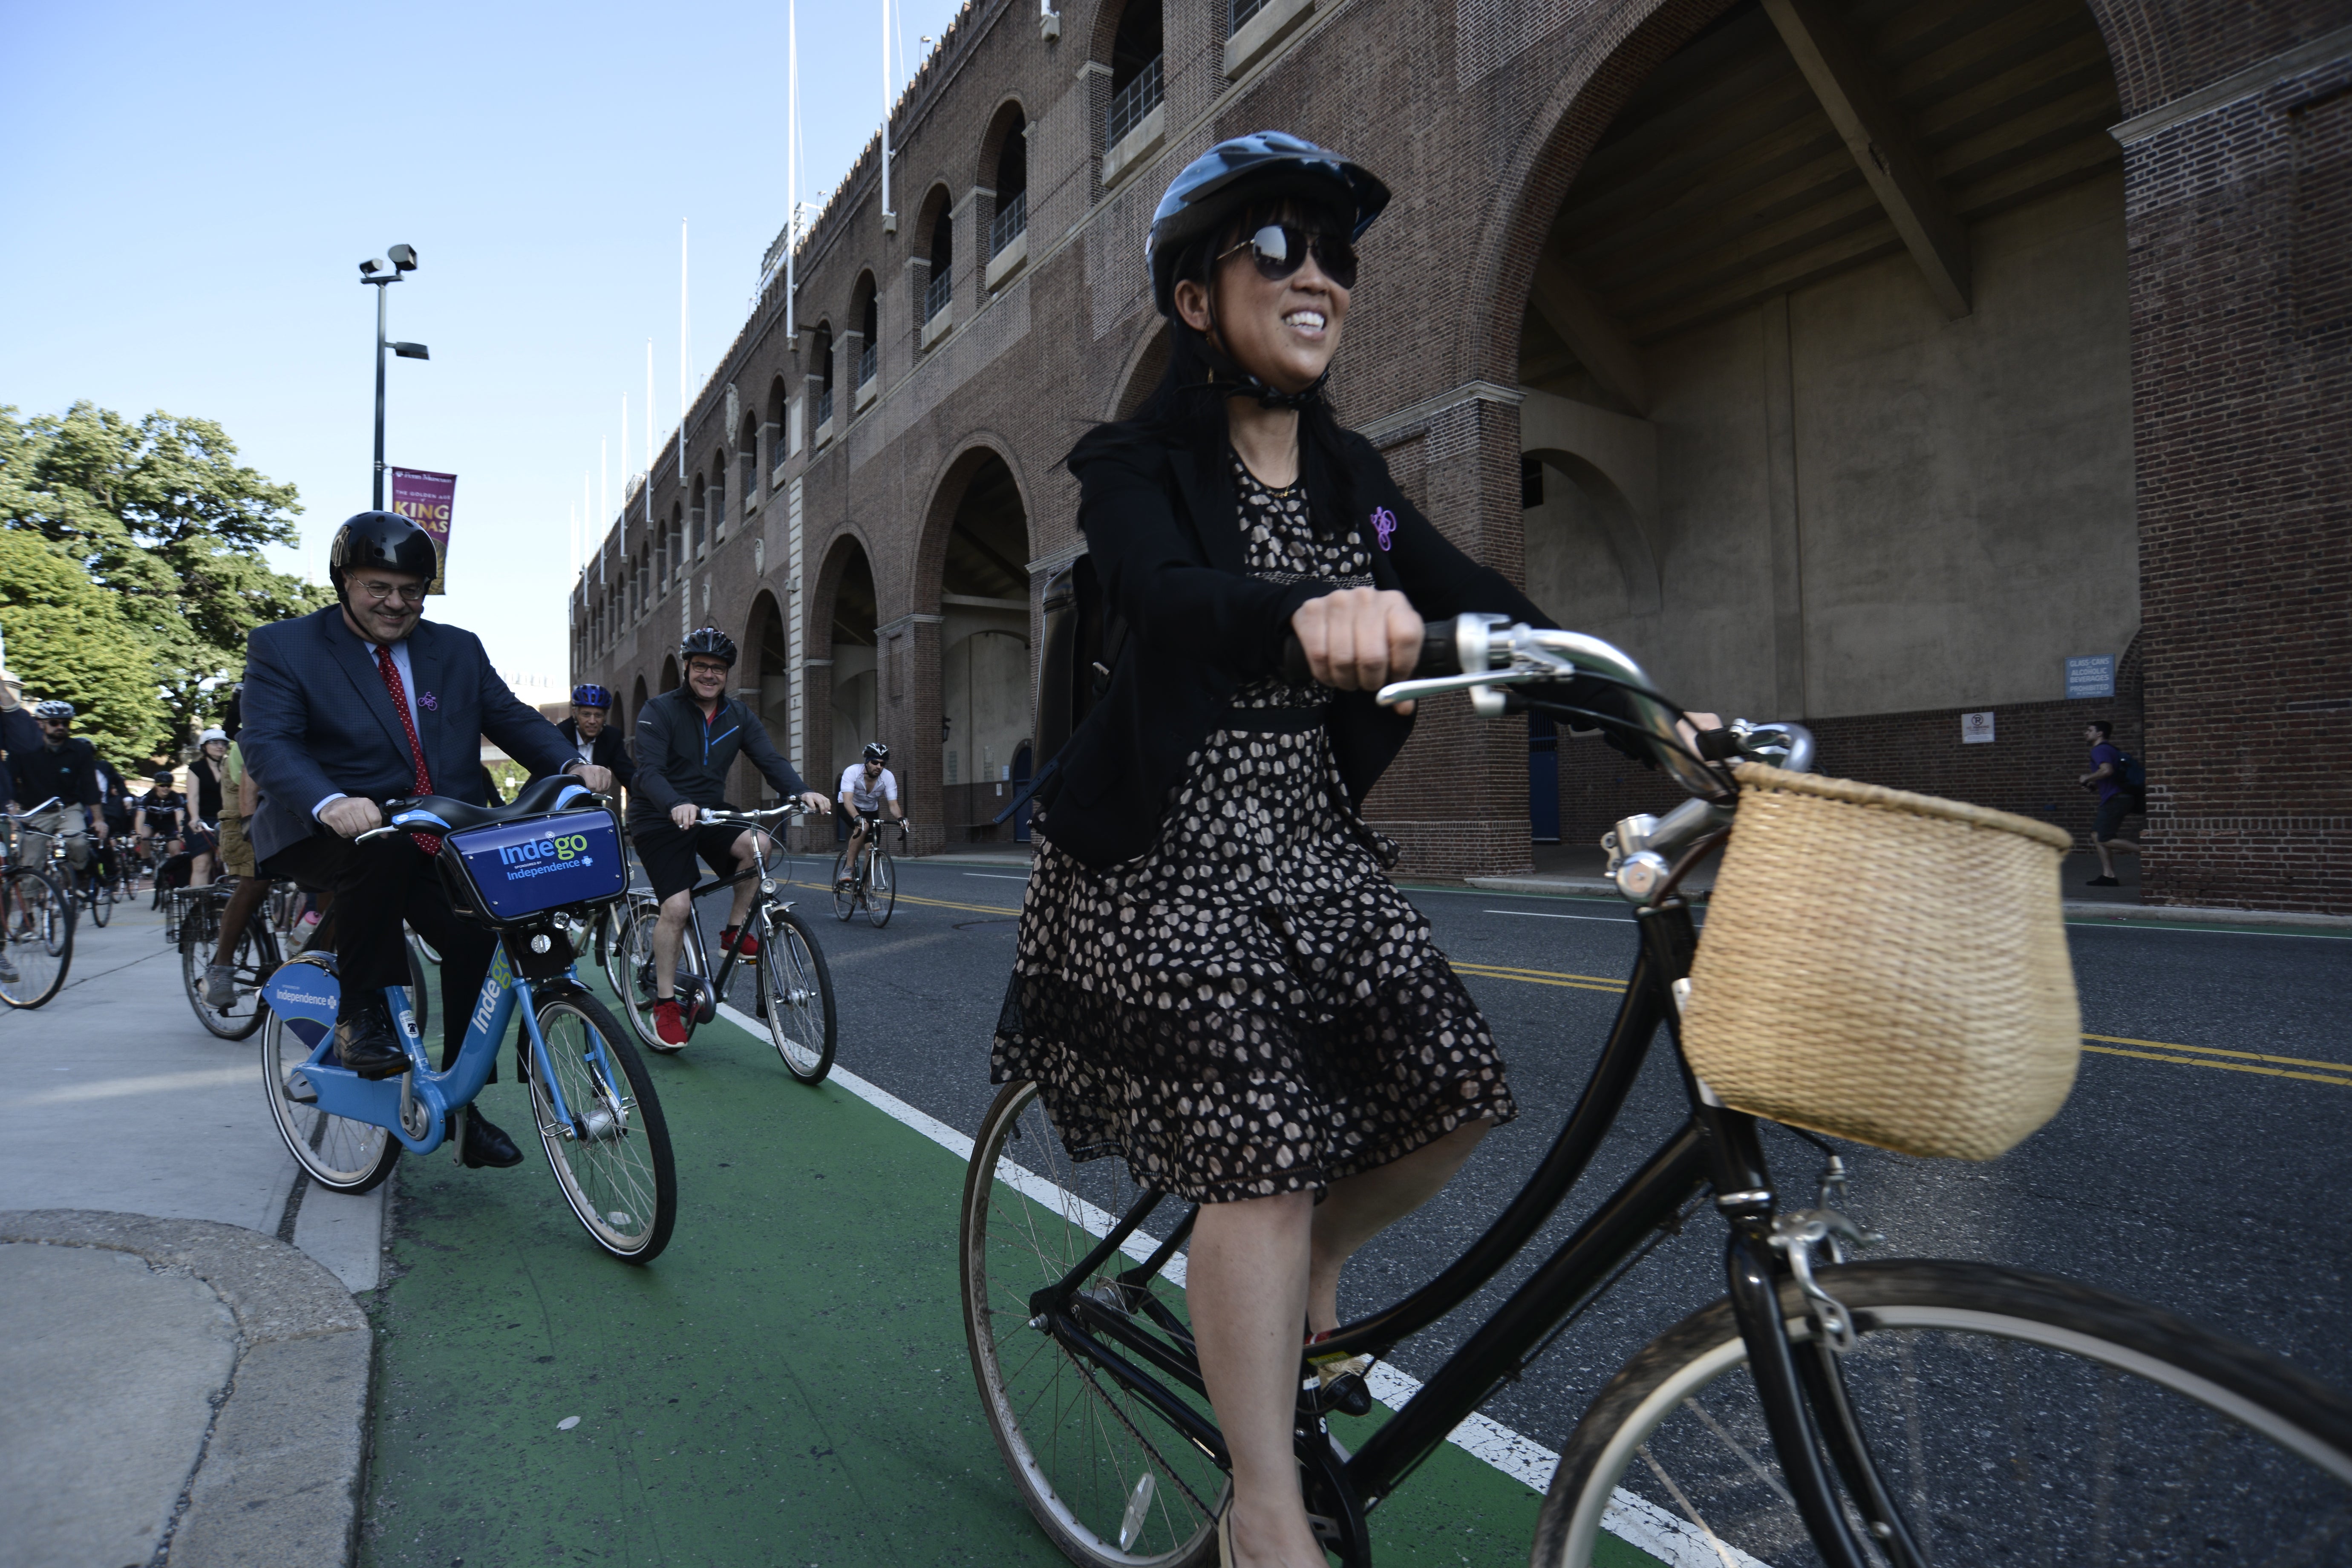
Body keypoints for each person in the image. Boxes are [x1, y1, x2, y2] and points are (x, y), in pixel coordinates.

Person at [989, 133, 1643, 1568]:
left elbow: (1476, 595)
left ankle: (1315, 1270)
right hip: (1155, 861)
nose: (1317, 275)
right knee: (1266, 1162)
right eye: (1275, 249)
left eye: (1335, 253)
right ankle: (1263, 1512)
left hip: (1310, 847)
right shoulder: (1130, 467)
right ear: (1194, 303)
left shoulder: (1361, 484)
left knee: (1458, 1094)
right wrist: (1298, 615)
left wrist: (1658, 709)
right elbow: (1163, 596)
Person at [240, 511, 610, 1169]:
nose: (395, 603)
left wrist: (569, 766)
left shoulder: (457, 649)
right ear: (344, 581)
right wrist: (331, 801)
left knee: (479, 937)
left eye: (411, 589)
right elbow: (269, 743)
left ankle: (463, 1107)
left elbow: (513, 719)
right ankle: (360, 1016)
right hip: (331, 826)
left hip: (441, 829)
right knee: (376, 851)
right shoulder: (286, 646)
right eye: (378, 587)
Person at [628, 626, 830, 1047]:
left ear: (726, 674)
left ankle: (733, 934)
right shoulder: (658, 709)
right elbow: (647, 772)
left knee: (758, 845)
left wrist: (801, 791)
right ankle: (666, 1003)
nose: (708, 674)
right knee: (678, 906)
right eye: (700, 665)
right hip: (659, 815)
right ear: (687, 668)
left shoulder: (738, 715)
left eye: (717, 668)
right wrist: (673, 803)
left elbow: (769, 758)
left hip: (711, 813)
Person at [203, 734, 269, 1008]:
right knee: (256, 880)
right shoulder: (257, 729)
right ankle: (221, 969)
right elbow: (249, 785)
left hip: (285, 797)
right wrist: (249, 823)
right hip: (245, 798)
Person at [13, 701, 107, 884]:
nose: (61, 727)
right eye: (55, 722)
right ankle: (30, 911)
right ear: (40, 723)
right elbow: (8, 780)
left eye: (66, 723)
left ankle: (81, 874)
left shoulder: (80, 751)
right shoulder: (22, 750)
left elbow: (90, 786)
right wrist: (12, 810)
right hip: (33, 812)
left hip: (67, 808)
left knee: (79, 842)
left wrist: (99, 819)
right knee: (30, 864)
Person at [535, 684, 636, 795]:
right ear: (575, 713)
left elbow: (629, 777)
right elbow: (541, 775)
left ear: (605, 716)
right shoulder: (560, 733)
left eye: (598, 715)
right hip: (556, 798)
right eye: (586, 715)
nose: (592, 721)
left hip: (590, 802)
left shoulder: (612, 737)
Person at [2079, 720, 2139, 888]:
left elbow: (2107, 771)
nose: (2086, 733)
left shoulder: (2100, 750)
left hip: (2117, 799)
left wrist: (2087, 778)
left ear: (2100, 734)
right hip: (2119, 797)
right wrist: (2094, 786)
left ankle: (2151, 853)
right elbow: (2110, 776)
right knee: (2097, 835)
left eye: (2089, 730)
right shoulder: (2111, 750)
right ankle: (2109, 876)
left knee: (2104, 838)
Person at [835, 742, 904, 888]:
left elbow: (893, 805)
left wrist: (900, 819)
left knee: (873, 849)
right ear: (867, 762)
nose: (879, 767)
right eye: (875, 762)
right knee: (863, 826)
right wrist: (857, 817)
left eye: (882, 764)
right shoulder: (852, 772)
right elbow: (847, 801)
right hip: (848, 806)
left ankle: (866, 892)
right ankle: (849, 868)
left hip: (871, 809)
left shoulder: (888, 777)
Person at [185, 729, 231, 887]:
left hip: (226, 819)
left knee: (235, 863)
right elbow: (193, 797)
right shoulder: (196, 768)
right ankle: (199, 907)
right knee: (202, 864)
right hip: (202, 820)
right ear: (204, 747)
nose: (220, 746)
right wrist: (195, 818)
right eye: (215, 743)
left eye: (223, 743)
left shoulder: (230, 766)